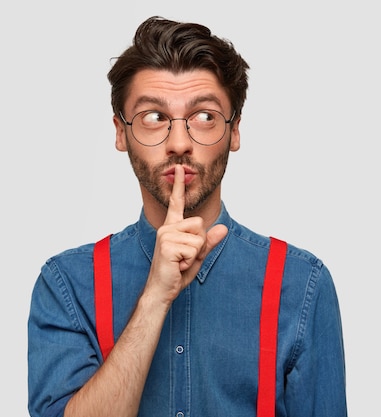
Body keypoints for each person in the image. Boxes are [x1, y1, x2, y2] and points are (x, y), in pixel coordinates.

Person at [27, 16, 347, 417]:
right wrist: (154, 299)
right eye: (154, 117)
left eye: (205, 116)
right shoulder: (67, 285)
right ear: (121, 133)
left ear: (234, 132)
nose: (179, 143)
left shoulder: (301, 285)